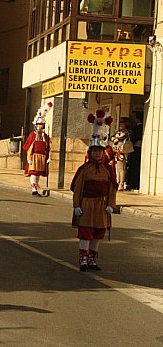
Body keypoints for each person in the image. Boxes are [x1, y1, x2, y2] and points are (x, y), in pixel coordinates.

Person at [70, 109, 117, 272]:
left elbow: (112, 189)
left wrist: (111, 204)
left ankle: (92, 259)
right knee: (86, 232)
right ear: (90, 152)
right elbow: (76, 188)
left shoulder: (108, 169)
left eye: (99, 151)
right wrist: (77, 205)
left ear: (102, 152)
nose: (97, 153)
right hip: (87, 205)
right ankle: (83, 259)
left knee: (98, 233)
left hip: (101, 206)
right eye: (94, 151)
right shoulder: (85, 169)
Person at [23, 103, 52, 195]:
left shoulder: (45, 136)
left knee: (39, 172)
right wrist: (29, 158)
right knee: (34, 172)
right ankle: (34, 187)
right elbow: (29, 147)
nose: (40, 126)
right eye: (39, 124)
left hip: (42, 157)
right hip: (34, 156)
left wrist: (49, 157)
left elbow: (49, 147)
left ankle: (36, 186)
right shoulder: (33, 135)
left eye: (42, 124)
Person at [110, 121, 132, 191]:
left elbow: (120, 139)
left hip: (122, 152)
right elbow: (112, 137)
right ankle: (118, 181)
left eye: (121, 124)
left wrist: (116, 138)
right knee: (117, 168)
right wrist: (114, 138)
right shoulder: (118, 132)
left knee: (121, 168)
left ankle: (121, 183)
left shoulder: (126, 133)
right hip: (117, 151)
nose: (120, 126)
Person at [127, 111, 143, 191]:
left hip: (136, 148)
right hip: (140, 148)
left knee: (133, 166)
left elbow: (133, 138)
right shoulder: (142, 128)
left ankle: (133, 183)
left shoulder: (137, 128)